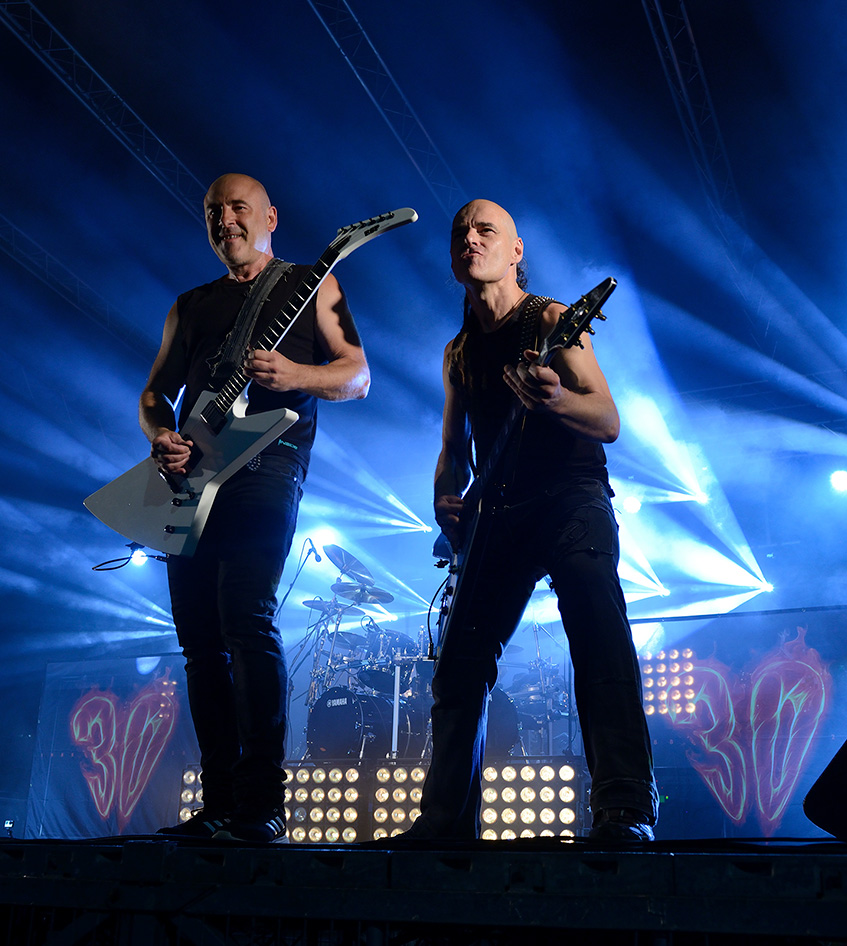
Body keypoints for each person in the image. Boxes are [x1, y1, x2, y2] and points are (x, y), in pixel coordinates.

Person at [410, 199, 657, 842]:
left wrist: (556, 399)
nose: (470, 239)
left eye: (485, 230)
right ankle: (443, 824)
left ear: (515, 251)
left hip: (571, 495)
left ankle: (626, 807)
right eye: (460, 232)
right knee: (459, 665)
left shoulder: (551, 319)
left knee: (598, 636)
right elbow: (452, 449)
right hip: (499, 511)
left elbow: (607, 419)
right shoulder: (458, 352)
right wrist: (445, 497)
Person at [143, 173, 370, 842]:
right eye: (213, 211)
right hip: (190, 477)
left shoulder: (311, 283)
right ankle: (217, 803)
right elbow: (155, 395)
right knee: (198, 643)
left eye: (238, 208)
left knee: (245, 618)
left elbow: (356, 374)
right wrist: (160, 434)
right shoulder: (189, 305)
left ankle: (261, 804)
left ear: (270, 217)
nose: (225, 221)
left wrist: (296, 375)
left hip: (267, 463)